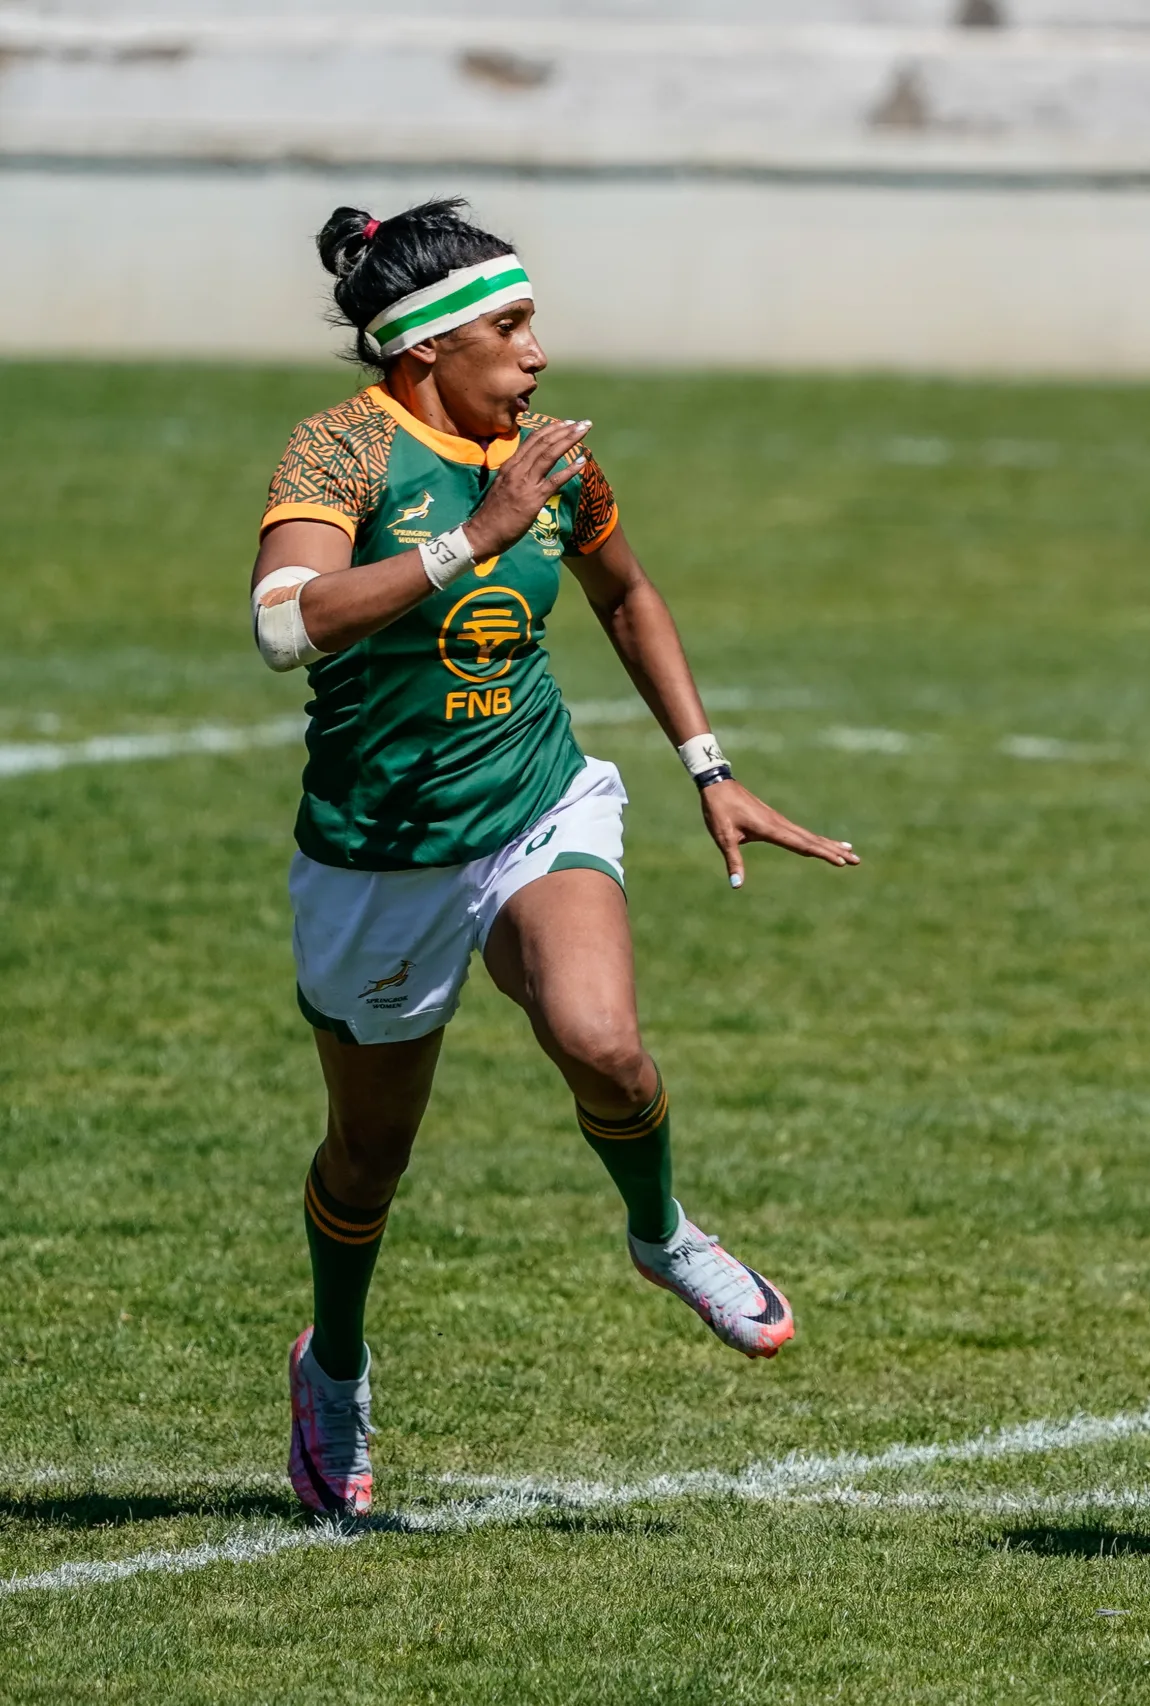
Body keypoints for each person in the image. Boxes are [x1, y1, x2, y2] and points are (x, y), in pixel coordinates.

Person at [250, 199, 857, 1517]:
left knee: (604, 1042)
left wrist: (712, 767)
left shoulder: (552, 458)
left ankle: (662, 1231)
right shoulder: (343, 449)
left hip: (533, 800)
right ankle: (335, 1362)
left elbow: (626, 594)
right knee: (368, 1158)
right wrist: (468, 535)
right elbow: (287, 626)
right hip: (376, 854)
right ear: (424, 354)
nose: (536, 354)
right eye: (509, 328)